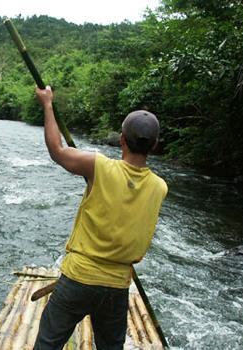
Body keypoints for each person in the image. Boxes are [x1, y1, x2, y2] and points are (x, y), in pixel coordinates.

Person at [33, 86, 168, 350]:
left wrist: (47, 105)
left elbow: (57, 150)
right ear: (154, 145)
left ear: (122, 139)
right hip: (116, 286)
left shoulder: (98, 166)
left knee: (47, 346)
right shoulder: (160, 187)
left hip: (78, 278)